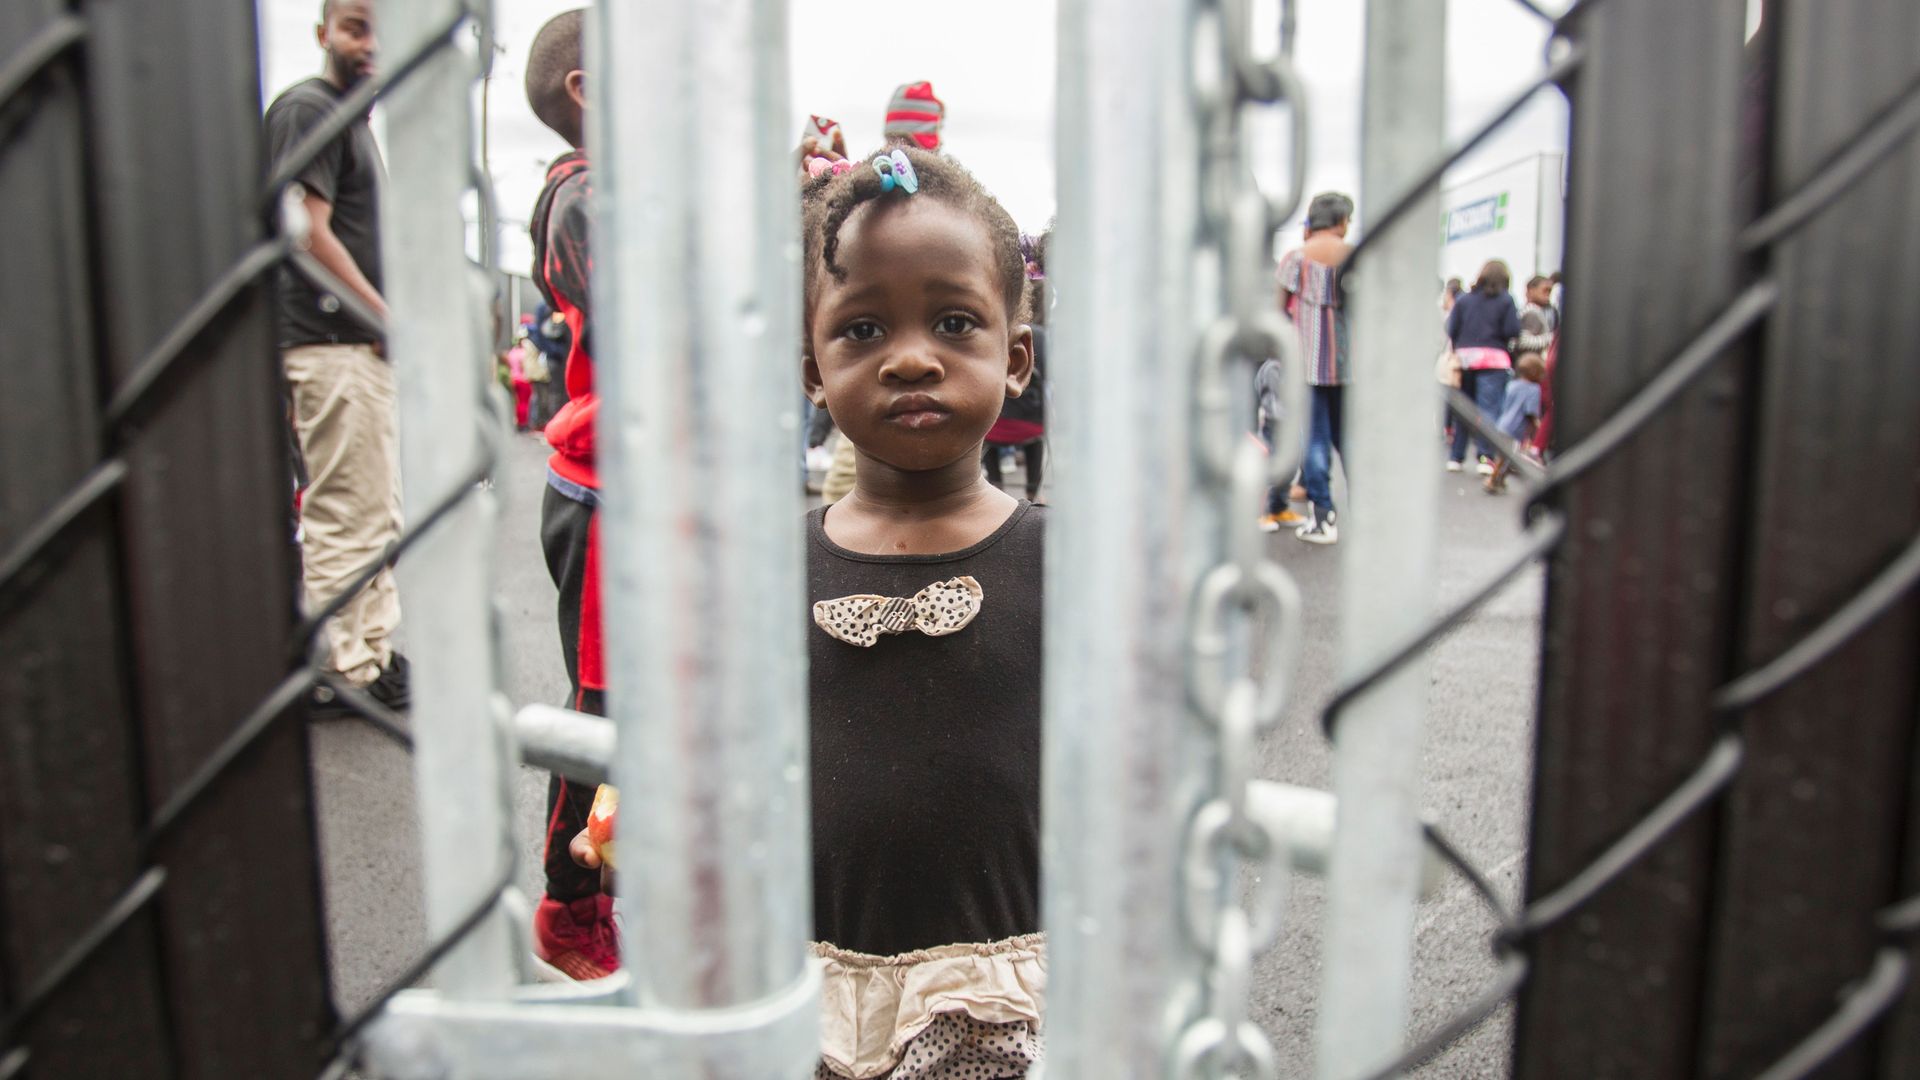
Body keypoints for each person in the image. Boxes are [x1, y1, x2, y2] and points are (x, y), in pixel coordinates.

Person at [580, 144, 1046, 1078]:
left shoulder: (1071, 566)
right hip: (805, 1000)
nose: (912, 358)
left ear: (1017, 358)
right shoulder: (756, 577)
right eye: (863, 330)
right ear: (809, 368)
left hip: (1013, 1004)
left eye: (955, 322)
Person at [265, 0, 410, 714]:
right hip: (329, 343)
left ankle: (369, 651)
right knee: (346, 510)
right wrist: (382, 316)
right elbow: (306, 230)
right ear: (322, 33)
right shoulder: (308, 108)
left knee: (375, 508)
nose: (371, 44)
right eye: (356, 26)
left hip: (356, 346)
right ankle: (340, 668)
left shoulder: (350, 123)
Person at [521, 8, 618, 982]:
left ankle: (626, 867)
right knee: (603, 704)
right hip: (606, 492)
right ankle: (569, 906)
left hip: (649, 480)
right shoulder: (583, 196)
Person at [1278, 191, 1353, 545]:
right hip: (1349, 364)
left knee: (1315, 439)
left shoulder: (1296, 259)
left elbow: (1278, 307)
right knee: (1349, 439)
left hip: (1306, 362)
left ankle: (1323, 516)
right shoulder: (1356, 256)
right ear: (1340, 222)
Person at [982, 232, 1049, 503]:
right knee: (1037, 438)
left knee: (995, 422)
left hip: (995, 428)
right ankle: (1033, 492)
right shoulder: (1043, 338)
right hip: (1031, 428)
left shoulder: (1000, 332)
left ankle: (997, 490)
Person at [1445, 259, 1522, 475]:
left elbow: (1451, 328)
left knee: (1464, 409)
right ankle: (1484, 456)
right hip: (1493, 359)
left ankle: (1455, 457)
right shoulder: (1506, 301)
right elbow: (1512, 330)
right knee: (1489, 411)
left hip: (1465, 358)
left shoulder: (1464, 300)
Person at [1484, 352, 1545, 495]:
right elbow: (1530, 411)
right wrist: (1538, 426)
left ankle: (1500, 479)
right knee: (1506, 457)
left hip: (1503, 424)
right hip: (1516, 428)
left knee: (1502, 455)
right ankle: (1492, 479)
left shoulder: (1512, 384)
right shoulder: (1533, 389)